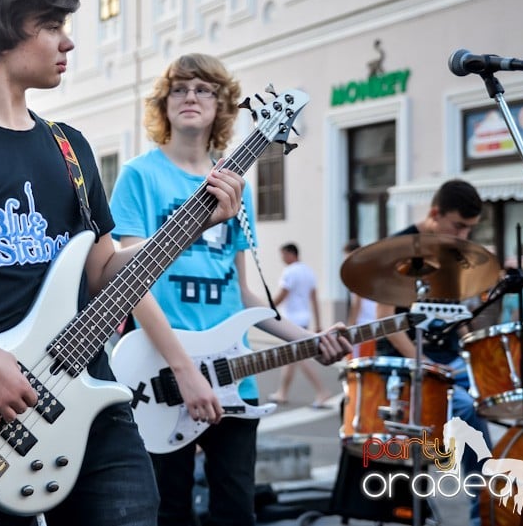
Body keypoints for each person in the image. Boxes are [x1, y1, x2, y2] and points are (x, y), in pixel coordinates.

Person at [0, 0, 247, 526]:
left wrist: (195, 222)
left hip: (90, 399)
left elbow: (102, 272)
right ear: (1, 27)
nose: (67, 43)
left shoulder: (70, 149)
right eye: (51, 26)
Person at [108, 53, 352, 526]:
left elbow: (247, 294)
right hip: (158, 371)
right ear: (164, 104)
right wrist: (185, 372)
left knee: (236, 511)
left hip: (231, 374)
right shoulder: (140, 175)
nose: (191, 97)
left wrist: (308, 340)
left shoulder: (234, 186)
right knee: (167, 511)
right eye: (179, 89)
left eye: (204, 89)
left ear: (222, 106)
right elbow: (132, 282)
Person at [374, 178, 491, 525]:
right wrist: (422, 362)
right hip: (406, 361)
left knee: (498, 401)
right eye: (458, 226)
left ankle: (486, 516)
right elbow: (385, 322)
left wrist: (476, 352)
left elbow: (457, 317)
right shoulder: (398, 249)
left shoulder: (454, 253)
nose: (464, 237)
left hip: (451, 359)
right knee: (470, 412)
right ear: (435, 214)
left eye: (470, 229)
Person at [268, 243, 332, 408]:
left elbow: (283, 294)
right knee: (291, 358)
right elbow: (314, 299)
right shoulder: (308, 271)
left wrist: (267, 310)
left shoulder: (290, 272)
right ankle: (282, 392)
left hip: (291, 320)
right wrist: (318, 323)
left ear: (290, 254)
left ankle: (322, 391)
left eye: (283, 255)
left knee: (299, 357)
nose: (282, 259)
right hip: (304, 319)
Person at [342, 239, 377, 358]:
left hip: (361, 327)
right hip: (371, 324)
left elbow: (357, 303)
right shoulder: (369, 271)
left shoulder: (357, 273)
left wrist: (350, 325)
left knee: (356, 365)